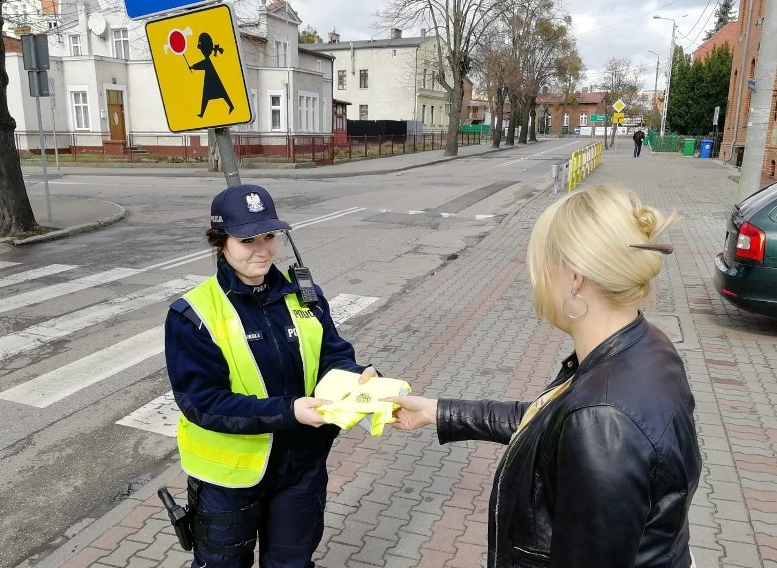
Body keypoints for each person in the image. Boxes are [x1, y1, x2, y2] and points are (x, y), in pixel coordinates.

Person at [382, 185, 702, 567]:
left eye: (541, 266)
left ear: (575, 278)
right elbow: (550, 424)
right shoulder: (644, 344)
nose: (535, 282)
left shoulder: (602, 417)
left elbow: (584, 427)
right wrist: (436, 411)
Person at [165, 183, 376, 568]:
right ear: (221, 242)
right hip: (230, 478)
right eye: (247, 239)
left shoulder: (305, 295)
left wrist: (357, 377)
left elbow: (332, 354)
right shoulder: (193, 314)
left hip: (301, 467)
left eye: (270, 236)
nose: (262, 250)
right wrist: (290, 411)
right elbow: (202, 402)